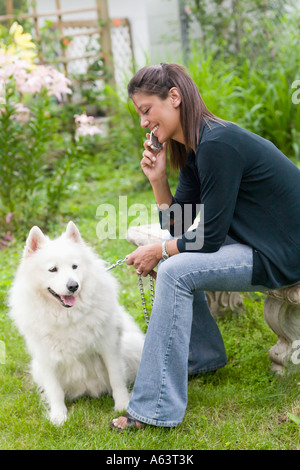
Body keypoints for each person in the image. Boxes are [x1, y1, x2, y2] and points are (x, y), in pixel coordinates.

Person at [110, 63, 300, 431]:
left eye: (146, 110)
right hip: (258, 242)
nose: (143, 122)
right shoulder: (198, 148)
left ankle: (155, 408)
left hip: (283, 251)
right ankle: (204, 356)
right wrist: (158, 179)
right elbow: (180, 227)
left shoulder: (218, 144)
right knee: (173, 259)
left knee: (175, 269)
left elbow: (207, 238)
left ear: (175, 98)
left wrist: (160, 251)